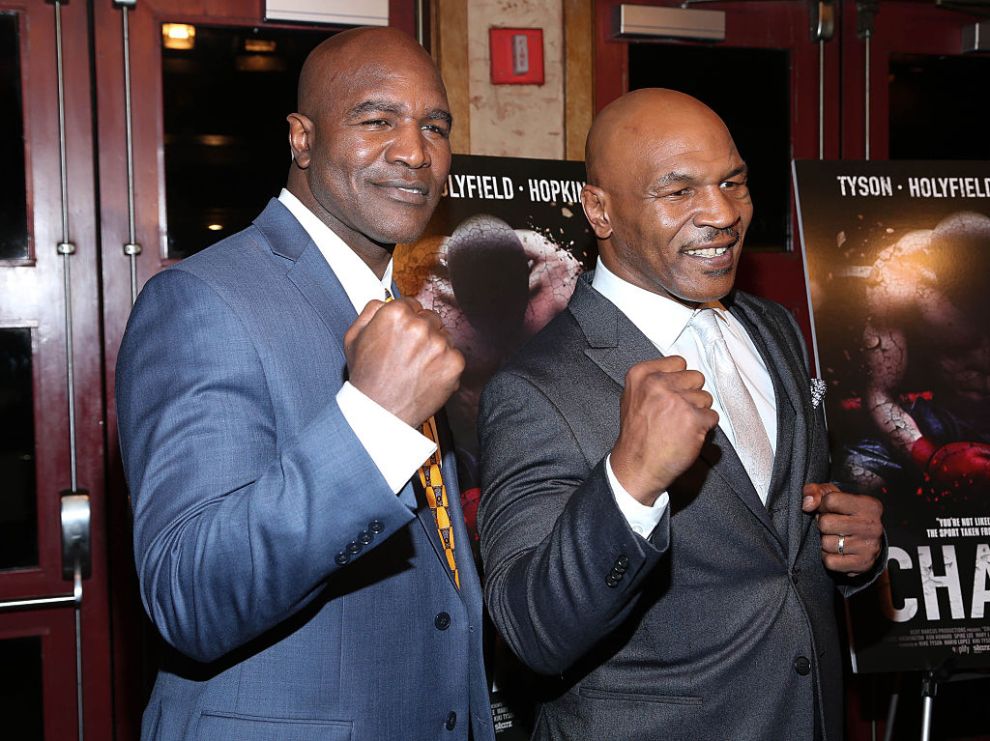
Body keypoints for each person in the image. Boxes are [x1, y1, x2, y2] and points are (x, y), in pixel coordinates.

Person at [116, 27, 494, 741]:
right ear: (302, 138)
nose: (415, 151)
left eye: (435, 126)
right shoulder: (203, 299)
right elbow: (189, 595)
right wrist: (375, 424)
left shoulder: (404, 312)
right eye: (377, 119)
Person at [476, 88, 885, 740]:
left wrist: (855, 554)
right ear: (600, 210)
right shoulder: (533, 387)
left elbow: (775, 547)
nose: (723, 212)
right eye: (679, 190)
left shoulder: (773, 326)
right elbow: (532, 632)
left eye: (733, 181)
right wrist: (629, 483)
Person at [843, 211, 990, 507]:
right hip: (943, 414)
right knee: (860, 474)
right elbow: (880, 392)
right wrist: (929, 458)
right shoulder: (900, 282)